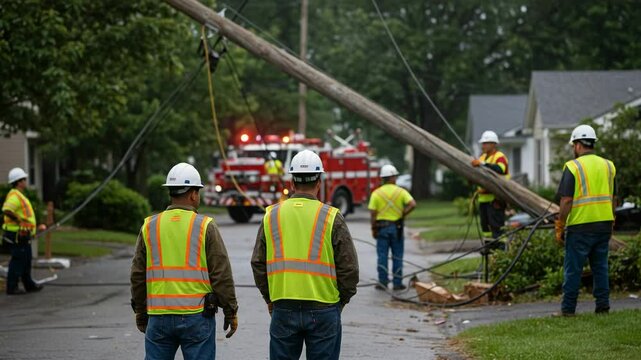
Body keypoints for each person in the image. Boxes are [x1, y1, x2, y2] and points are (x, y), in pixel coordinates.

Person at [251, 149, 359, 360]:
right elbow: (350, 268)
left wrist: (270, 298)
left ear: (292, 182)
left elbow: (258, 263)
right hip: (324, 308)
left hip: (283, 306)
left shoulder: (271, 215)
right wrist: (340, 302)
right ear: (319, 181)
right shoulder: (332, 217)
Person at [130, 162, 238, 359]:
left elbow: (137, 274)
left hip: (159, 316)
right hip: (197, 317)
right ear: (193, 194)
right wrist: (230, 311)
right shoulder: (206, 227)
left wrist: (140, 311)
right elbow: (221, 273)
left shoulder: (150, 226)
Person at [554, 125, 616, 316]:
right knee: (601, 267)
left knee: (573, 269)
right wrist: (612, 220)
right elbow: (614, 198)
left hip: (580, 226)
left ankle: (568, 310)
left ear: (578, 144)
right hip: (604, 224)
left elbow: (566, 200)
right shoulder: (608, 166)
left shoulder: (573, 167)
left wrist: (560, 224)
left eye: (573, 144)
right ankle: (603, 307)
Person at [368, 164, 416, 291]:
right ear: (393, 177)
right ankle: (397, 283)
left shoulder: (376, 193)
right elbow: (412, 204)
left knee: (382, 256)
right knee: (397, 256)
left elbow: (373, 213)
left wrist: (373, 228)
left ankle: (383, 282)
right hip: (397, 227)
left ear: (383, 178)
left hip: (381, 227)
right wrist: (402, 214)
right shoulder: (401, 192)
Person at [2, 168, 45, 295]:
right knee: (18, 260)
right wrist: (19, 220)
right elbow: (6, 209)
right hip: (17, 234)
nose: (26, 181)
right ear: (19, 182)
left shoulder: (19, 195)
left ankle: (29, 285)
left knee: (26, 259)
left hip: (23, 234)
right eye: (24, 179)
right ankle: (12, 287)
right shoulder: (15, 196)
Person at [471, 130, 510, 239]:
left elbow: (500, 169)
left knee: (497, 228)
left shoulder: (499, 157)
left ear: (493, 144)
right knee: (485, 228)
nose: (482, 146)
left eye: (485, 143)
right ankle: (489, 250)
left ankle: (500, 251)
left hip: (496, 199)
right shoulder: (482, 157)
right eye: (482, 143)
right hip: (483, 199)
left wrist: (482, 164)